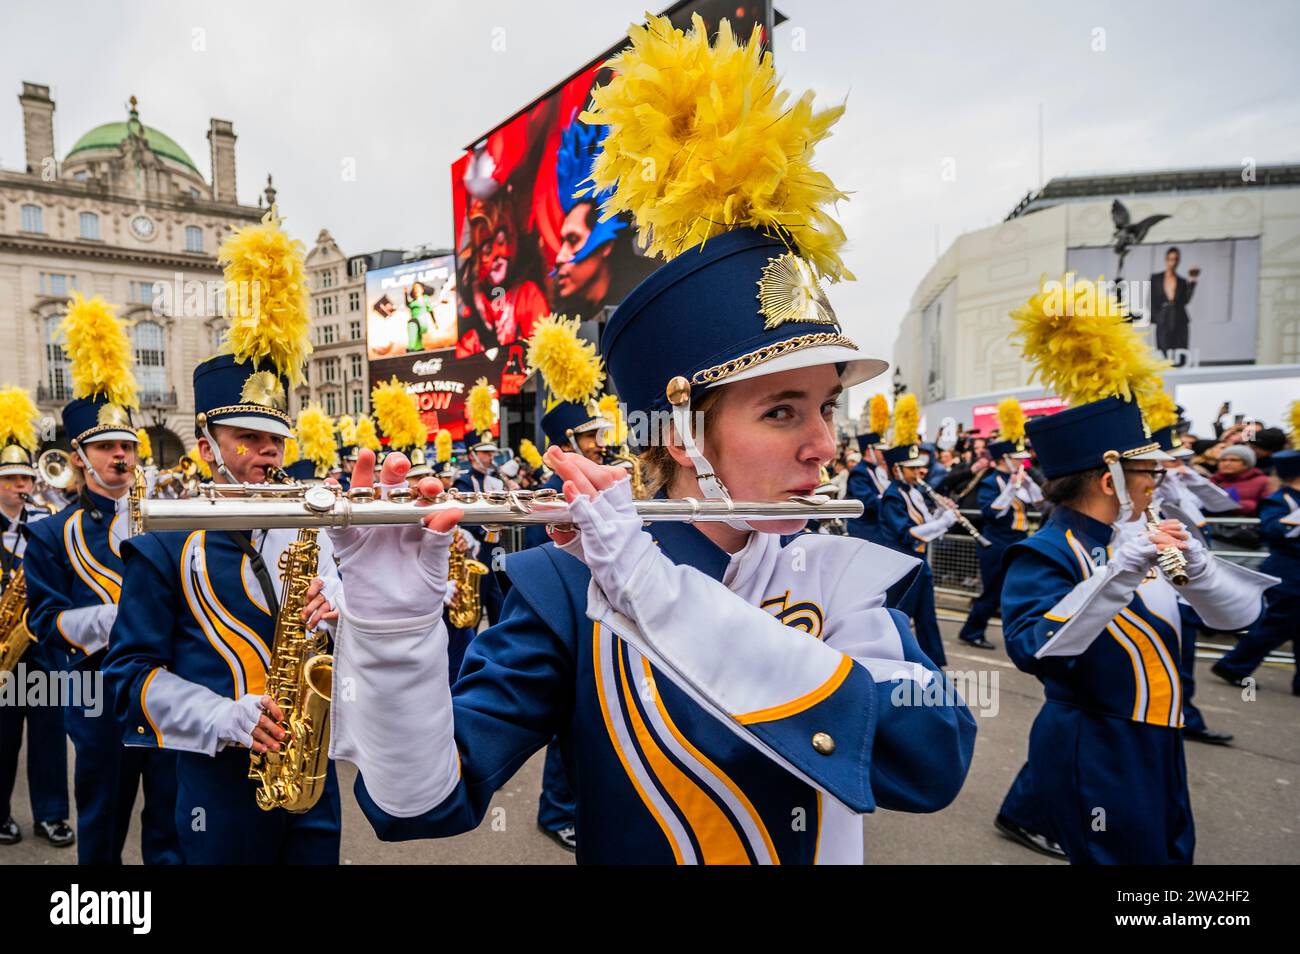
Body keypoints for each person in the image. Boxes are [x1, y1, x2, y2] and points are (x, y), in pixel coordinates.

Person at [322, 13, 974, 865]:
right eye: (782, 411)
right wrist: (392, 630)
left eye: (826, 408)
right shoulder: (564, 585)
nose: (824, 444)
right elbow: (418, 807)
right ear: (678, 433)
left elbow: (932, 760)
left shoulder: (853, 562)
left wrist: (656, 590)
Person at [996, 276, 1275, 864]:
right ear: (1110, 479)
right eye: (1150, 473)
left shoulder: (1144, 536)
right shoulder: (1046, 552)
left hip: (1157, 737)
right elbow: (1033, 649)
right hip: (1096, 741)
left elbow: (1241, 618)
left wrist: (1201, 571)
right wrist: (1117, 574)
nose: (1159, 483)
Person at [102, 209, 345, 864]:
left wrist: (339, 614)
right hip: (217, 785)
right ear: (209, 446)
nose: (267, 455)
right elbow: (127, 677)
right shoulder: (161, 543)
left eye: (275, 440)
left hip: (312, 778)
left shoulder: (309, 528)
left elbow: (341, 633)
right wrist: (222, 717)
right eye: (248, 439)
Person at [23, 295, 180, 865]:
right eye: (106, 447)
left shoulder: (171, 521)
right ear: (79, 456)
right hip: (97, 701)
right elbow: (44, 624)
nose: (120, 456)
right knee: (102, 830)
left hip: (169, 694)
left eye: (127, 446)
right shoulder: (50, 534)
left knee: (171, 831)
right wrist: (118, 619)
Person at [0, 399, 73, 850]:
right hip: (3, 656)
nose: (21, 486)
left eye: (26, 478)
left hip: (42, 649)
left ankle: (51, 815)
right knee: (2, 741)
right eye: (11, 479)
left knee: (49, 739)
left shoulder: (45, 524)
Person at [1211, 449, 1300, 696]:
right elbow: (1273, 530)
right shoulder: (1281, 499)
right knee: (1275, 624)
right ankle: (1234, 665)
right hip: (1288, 569)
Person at [879, 398, 957, 666]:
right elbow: (908, 534)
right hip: (902, 564)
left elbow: (924, 521)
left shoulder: (914, 491)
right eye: (912, 468)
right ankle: (892, 662)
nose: (918, 472)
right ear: (898, 469)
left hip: (919, 562)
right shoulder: (892, 496)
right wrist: (943, 522)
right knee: (901, 616)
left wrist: (941, 514)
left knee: (927, 616)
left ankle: (934, 666)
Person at [957, 431, 1041, 651]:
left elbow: (1040, 501)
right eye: (1016, 457)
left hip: (1018, 540)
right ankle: (972, 631)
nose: (1021, 461)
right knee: (993, 592)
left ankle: (1021, 634)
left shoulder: (1019, 479)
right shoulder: (990, 481)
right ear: (1004, 458)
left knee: (1019, 589)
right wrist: (1012, 489)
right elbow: (991, 512)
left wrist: (1028, 483)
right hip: (996, 543)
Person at [1149, 246, 1199, 365]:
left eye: (1176, 259)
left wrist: (1192, 281)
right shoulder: (1156, 278)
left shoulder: (1181, 281)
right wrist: (1155, 318)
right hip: (1163, 317)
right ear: (1166, 260)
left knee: (1180, 349)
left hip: (1179, 317)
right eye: (1171, 259)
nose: (1173, 262)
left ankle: (1180, 373)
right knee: (1163, 350)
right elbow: (1153, 299)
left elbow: (1185, 300)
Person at [844, 431, 890, 545]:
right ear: (870, 450)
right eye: (881, 451)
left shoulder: (875, 470)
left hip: (875, 528)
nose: (884, 454)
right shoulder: (859, 471)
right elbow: (867, 501)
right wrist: (891, 503)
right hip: (864, 529)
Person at [1210, 445, 1271, 516]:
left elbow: (1268, 508)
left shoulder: (1264, 482)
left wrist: (1240, 505)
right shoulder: (1213, 481)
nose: (1226, 463)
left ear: (1246, 463)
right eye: (1223, 460)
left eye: (1233, 460)